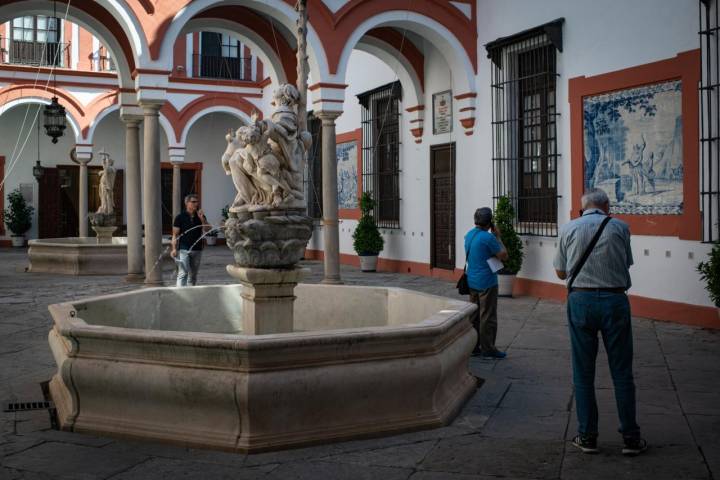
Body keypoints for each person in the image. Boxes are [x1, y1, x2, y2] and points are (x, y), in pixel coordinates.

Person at [553, 188, 647, 456]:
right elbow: (625, 263)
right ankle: (630, 438)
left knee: (582, 372)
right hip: (615, 300)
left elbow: (560, 272)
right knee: (622, 371)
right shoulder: (620, 227)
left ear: (583, 208)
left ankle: (587, 437)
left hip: (580, 301)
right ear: (607, 207)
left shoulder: (569, 228)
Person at [464, 207, 508, 359]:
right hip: (487, 282)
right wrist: (498, 237)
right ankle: (488, 349)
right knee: (487, 316)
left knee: (474, 316)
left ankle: (474, 347)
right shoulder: (488, 238)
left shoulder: (469, 235)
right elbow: (504, 255)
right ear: (490, 222)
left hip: (472, 280)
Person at [171, 194, 209, 287]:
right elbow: (175, 235)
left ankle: (190, 294)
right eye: (193, 202)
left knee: (193, 275)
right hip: (184, 249)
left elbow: (208, 229)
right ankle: (180, 294)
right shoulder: (180, 217)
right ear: (187, 203)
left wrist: (202, 219)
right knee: (183, 273)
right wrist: (174, 249)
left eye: (197, 202)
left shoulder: (200, 216)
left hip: (197, 249)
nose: (196, 204)